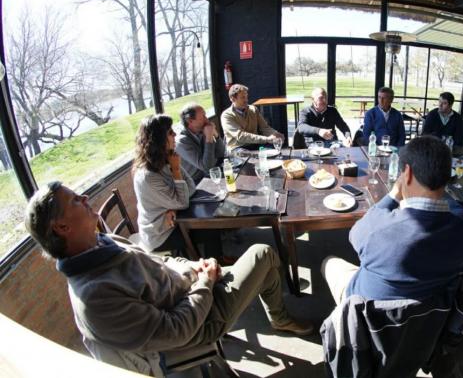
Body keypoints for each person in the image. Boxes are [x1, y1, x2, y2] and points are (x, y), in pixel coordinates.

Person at [24, 182, 313, 376]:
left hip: (195, 290)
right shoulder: (96, 296)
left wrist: (194, 265)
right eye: (75, 200)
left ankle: (276, 314)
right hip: (198, 321)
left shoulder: (103, 243)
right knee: (263, 253)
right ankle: (279, 317)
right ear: (62, 226)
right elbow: (176, 331)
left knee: (259, 258)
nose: (85, 198)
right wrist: (204, 284)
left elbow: (160, 260)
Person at [322, 136, 463, 304]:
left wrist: (393, 195)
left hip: (369, 316)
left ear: (406, 173)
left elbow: (354, 236)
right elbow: (456, 208)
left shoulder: (376, 230)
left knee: (329, 263)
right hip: (431, 315)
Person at [132, 114, 195, 255]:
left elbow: (191, 186)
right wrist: (177, 170)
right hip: (159, 235)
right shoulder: (147, 176)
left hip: (174, 222)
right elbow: (183, 201)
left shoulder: (167, 158)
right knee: (209, 231)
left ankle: (215, 259)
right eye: (170, 133)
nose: (175, 134)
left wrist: (176, 208)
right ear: (159, 139)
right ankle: (214, 266)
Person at [221, 84, 284, 150]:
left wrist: (276, 134)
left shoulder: (253, 109)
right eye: (242, 97)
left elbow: (264, 127)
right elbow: (241, 136)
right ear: (233, 99)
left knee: (276, 150)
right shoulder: (226, 115)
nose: (246, 100)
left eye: (246, 97)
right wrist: (267, 139)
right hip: (238, 147)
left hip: (255, 145)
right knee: (247, 157)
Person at [175, 103, 227, 184]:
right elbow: (207, 167)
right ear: (190, 121)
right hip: (195, 183)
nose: (207, 120)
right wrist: (209, 137)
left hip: (209, 175)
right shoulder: (181, 142)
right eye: (203, 117)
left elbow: (221, 153)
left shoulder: (200, 130)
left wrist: (215, 134)